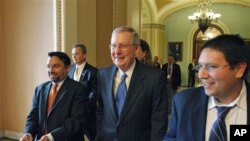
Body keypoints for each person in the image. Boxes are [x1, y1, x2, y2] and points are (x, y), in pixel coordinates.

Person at [163, 34, 250, 141]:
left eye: (212, 67)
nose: (201, 75)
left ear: (239, 69)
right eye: (200, 66)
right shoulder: (183, 102)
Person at [95, 26, 168, 141]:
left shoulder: (154, 78)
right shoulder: (103, 75)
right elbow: (100, 110)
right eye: (113, 46)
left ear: (136, 49)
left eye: (123, 46)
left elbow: (159, 122)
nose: (117, 51)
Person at [20, 51, 88, 141]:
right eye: (48, 66)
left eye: (56, 66)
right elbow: (33, 116)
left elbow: (75, 121)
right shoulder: (40, 89)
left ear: (67, 68)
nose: (51, 70)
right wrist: (28, 133)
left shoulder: (79, 89)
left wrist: (51, 137)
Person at [68, 44, 98, 141]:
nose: (74, 56)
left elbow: (94, 93)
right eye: (72, 54)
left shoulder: (93, 71)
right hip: (70, 114)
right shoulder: (69, 70)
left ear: (84, 55)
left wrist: (82, 108)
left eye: (76, 54)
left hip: (86, 114)